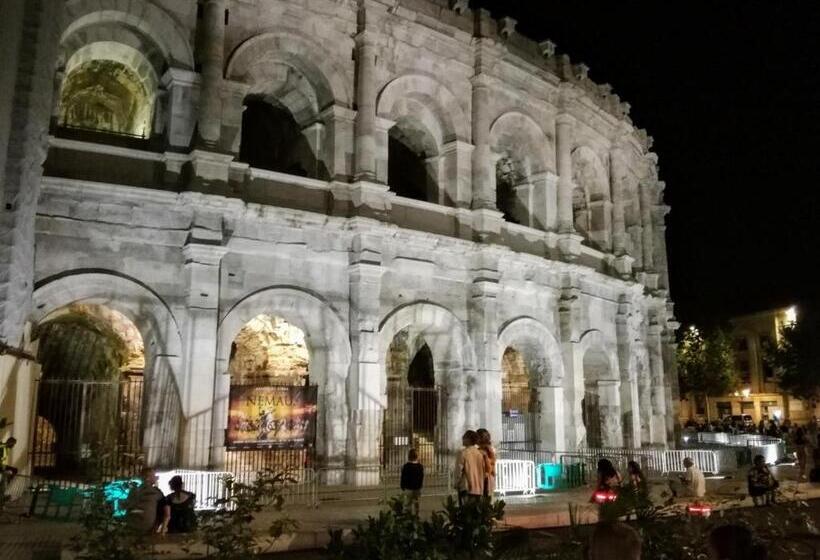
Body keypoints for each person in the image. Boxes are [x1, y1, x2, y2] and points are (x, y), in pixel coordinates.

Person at [126, 468, 170, 535]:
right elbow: (167, 514)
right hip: (149, 528)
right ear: (148, 478)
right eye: (154, 475)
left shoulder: (133, 491)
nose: (157, 478)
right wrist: (162, 531)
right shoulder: (156, 492)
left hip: (131, 526)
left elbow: (128, 508)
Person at [453, 430, 485, 505]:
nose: (462, 440)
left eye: (464, 438)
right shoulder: (479, 453)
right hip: (478, 487)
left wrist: (456, 483)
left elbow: (458, 470)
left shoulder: (463, 453)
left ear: (468, 439)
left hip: (466, 486)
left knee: (466, 512)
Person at [400, 448, 424, 515]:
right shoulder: (420, 466)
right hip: (417, 488)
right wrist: (420, 485)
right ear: (417, 456)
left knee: (407, 503)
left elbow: (403, 477)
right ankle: (417, 515)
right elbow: (421, 477)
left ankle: (408, 517)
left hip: (408, 488)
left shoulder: (406, 466)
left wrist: (402, 486)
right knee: (416, 502)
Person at [476, 428, 496, 497]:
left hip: (486, 477)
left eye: (477, 437)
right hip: (484, 476)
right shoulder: (480, 449)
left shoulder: (488, 449)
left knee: (485, 499)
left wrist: (485, 457)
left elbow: (492, 461)